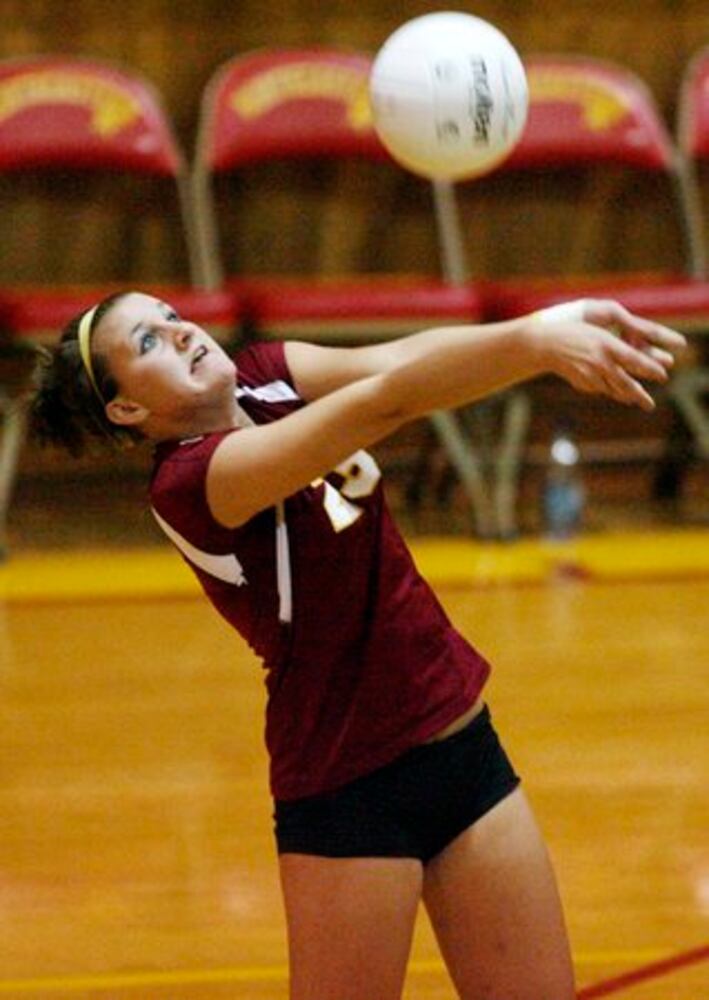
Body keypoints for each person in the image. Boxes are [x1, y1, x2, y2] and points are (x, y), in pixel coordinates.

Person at [30, 291, 685, 1000]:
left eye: (169, 316)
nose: (179, 332)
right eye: (148, 343)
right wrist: (533, 341)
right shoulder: (191, 481)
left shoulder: (265, 374)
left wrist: (539, 336)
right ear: (126, 410)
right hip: (348, 782)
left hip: (459, 741)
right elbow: (384, 401)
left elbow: (398, 359)